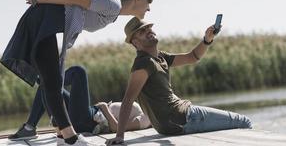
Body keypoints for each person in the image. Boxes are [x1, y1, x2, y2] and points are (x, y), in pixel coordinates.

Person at [0, 0, 153, 146]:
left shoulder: (113, 9)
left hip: (43, 21)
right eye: (148, 2)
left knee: (52, 81)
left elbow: (76, 3)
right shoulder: (113, 4)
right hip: (42, 19)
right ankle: (70, 138)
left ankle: (62, 136)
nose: (149, 7)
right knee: (52, 82)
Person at [106, 17, 252, 145]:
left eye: (149, 27)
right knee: (244, 122)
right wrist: (120, 136)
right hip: (182, 117)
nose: (149, 30)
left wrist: (207, 39)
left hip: (174, 121)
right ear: (136, 43)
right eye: (142, 31)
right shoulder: (143, 63)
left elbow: (192, 57)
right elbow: (128, 100)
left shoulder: (160, 57)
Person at [8, 66, 151, 142]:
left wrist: (105, 108)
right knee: (46, 86)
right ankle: (29, 127)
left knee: (79, 72)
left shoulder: (146, 118)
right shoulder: (138, 107)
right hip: (88, 114)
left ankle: (40, 78)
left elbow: (117, 130)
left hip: (89, 122)